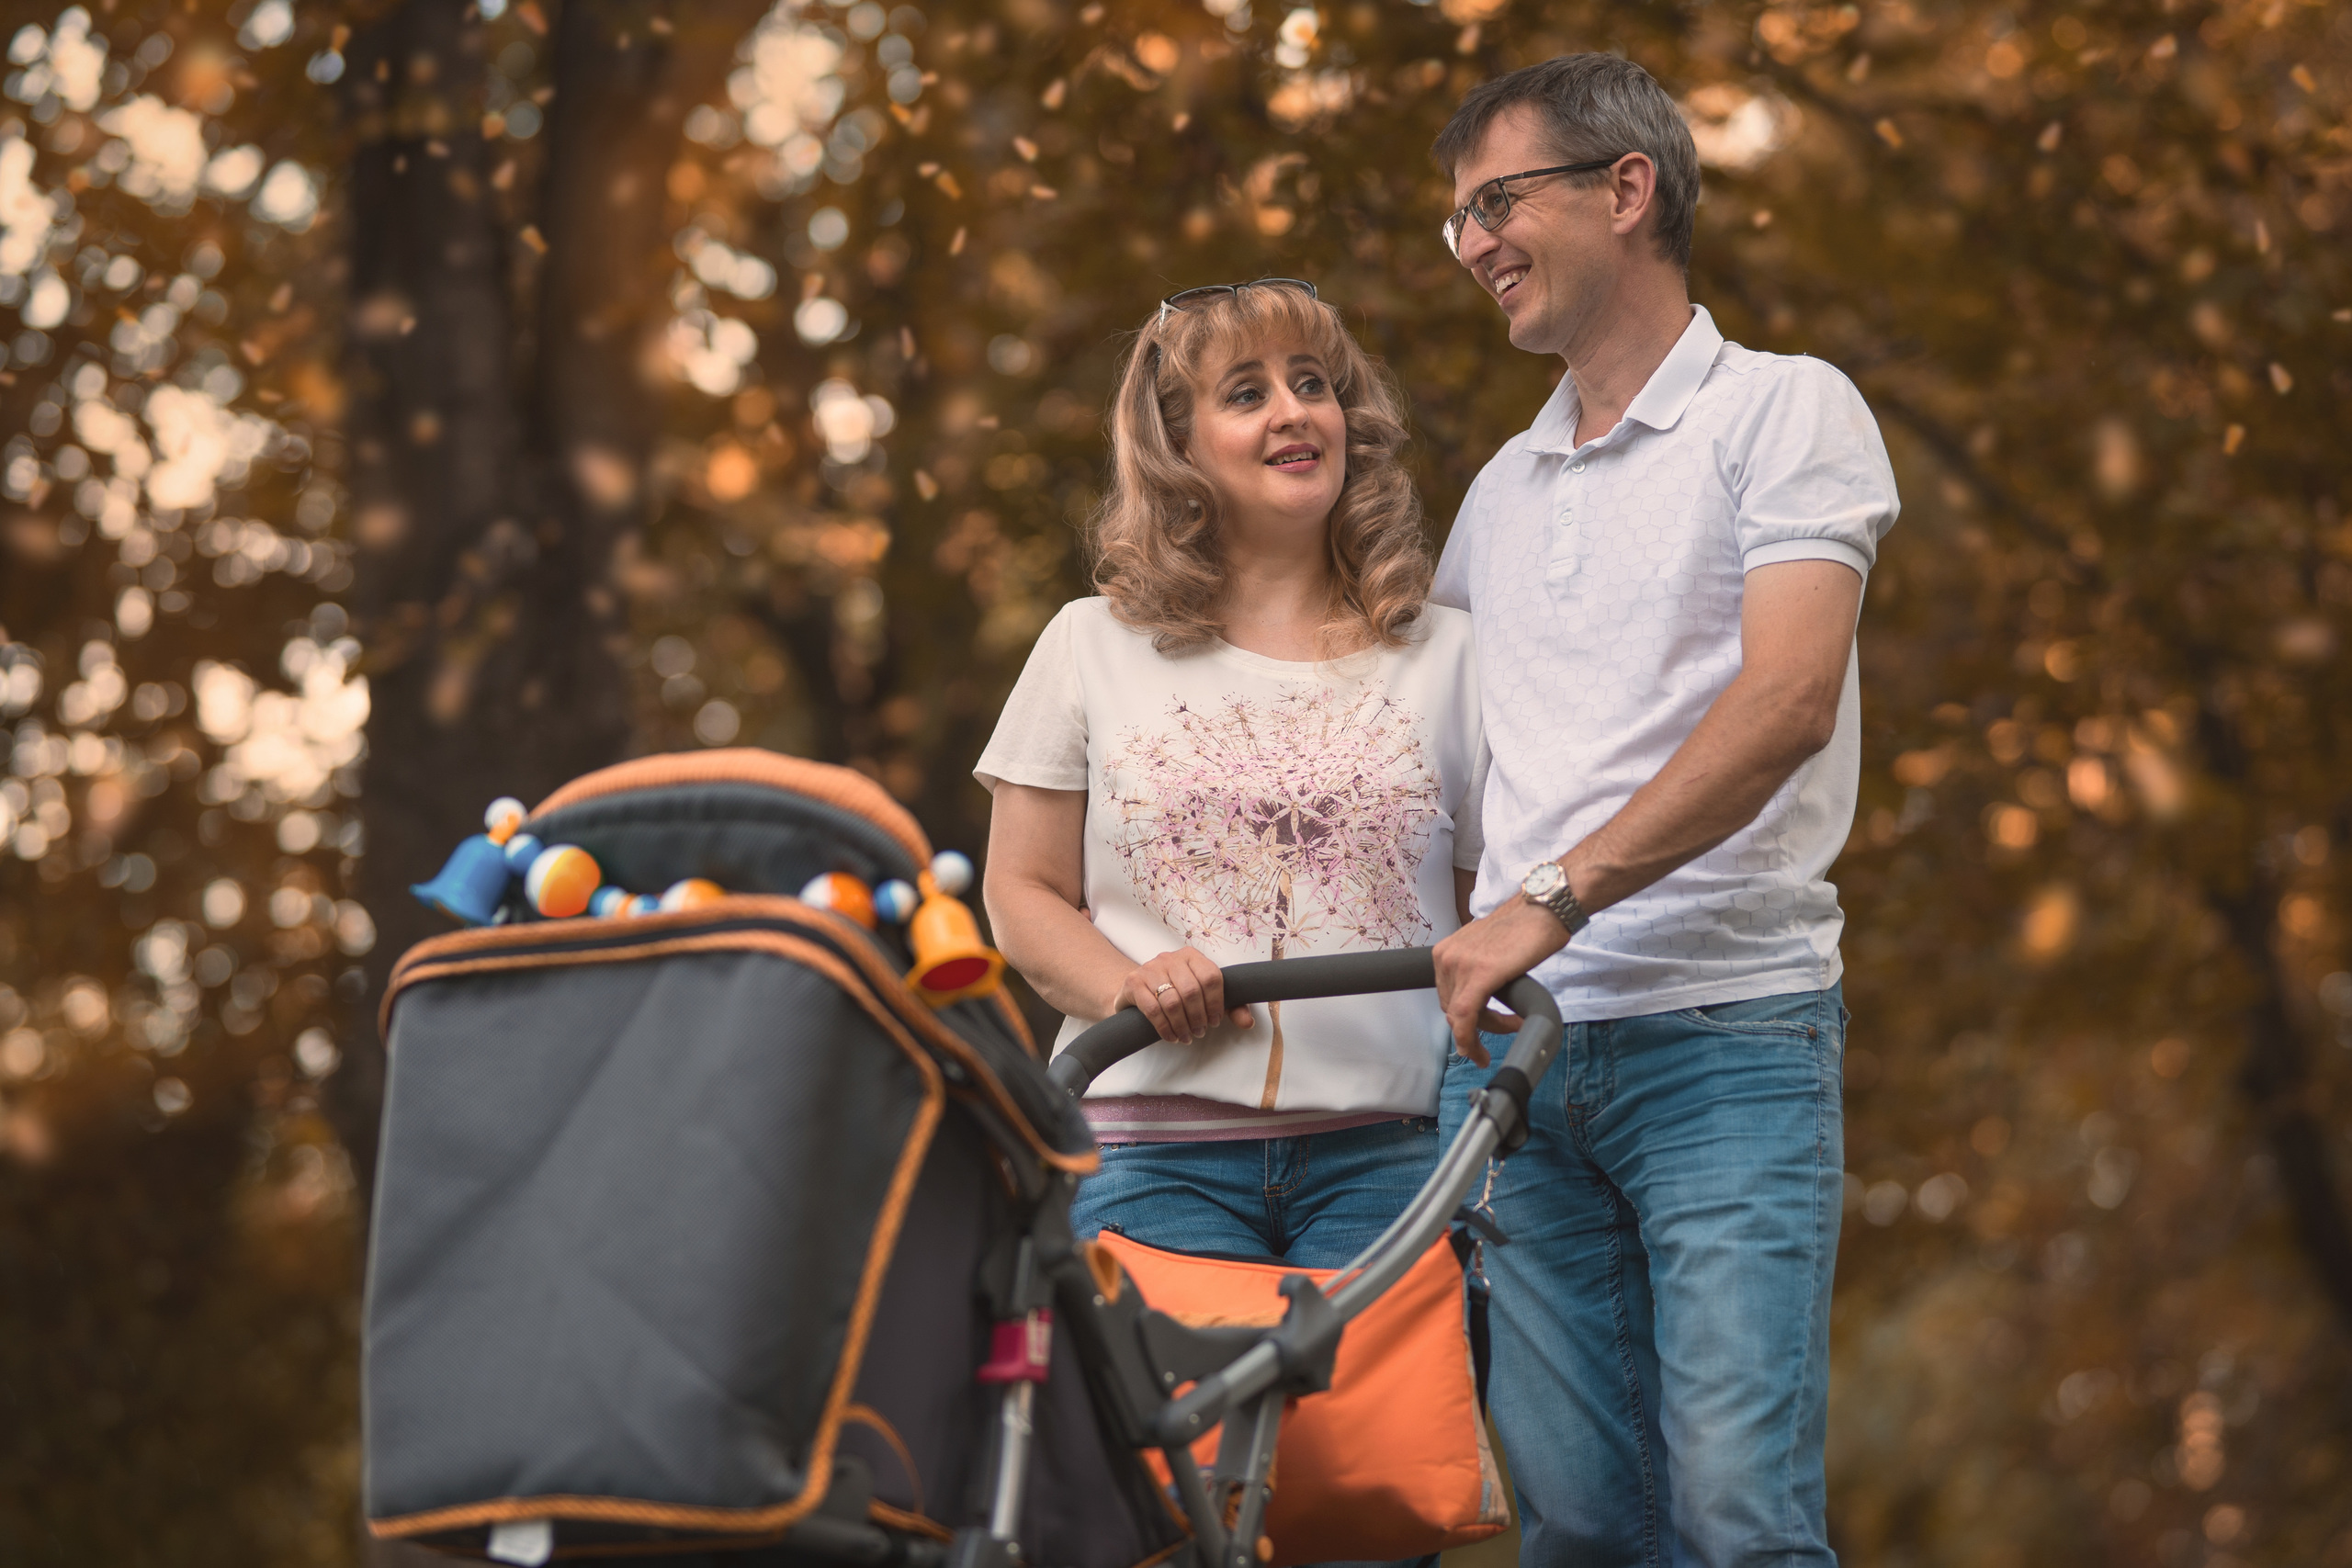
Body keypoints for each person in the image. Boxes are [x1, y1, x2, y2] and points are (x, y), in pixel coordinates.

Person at [1424, 55, 1900, 1568]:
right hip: (1520, 1076)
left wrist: (1550, 897)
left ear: (1628, 188)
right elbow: (1441, 780)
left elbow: (1783, 702)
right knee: (1577, 1537)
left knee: (1740, 1528)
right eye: (1458, 224)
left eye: (1497, 202)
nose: (1476, 244)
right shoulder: (1496, 494)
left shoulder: (1784, 412)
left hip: (1727, 1045)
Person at [976, 279, 1486, 1272]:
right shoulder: (1090, 643)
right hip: (1145, 1155)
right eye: (1245, 394)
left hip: (1389, 1156)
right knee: (1180, 1434)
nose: (1294, 412)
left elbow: (1484, 914)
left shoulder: (1451, 656)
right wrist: (1131, 983)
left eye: (1312, 384)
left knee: (1377, 1434)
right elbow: (1020, 894)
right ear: (1179, 446)